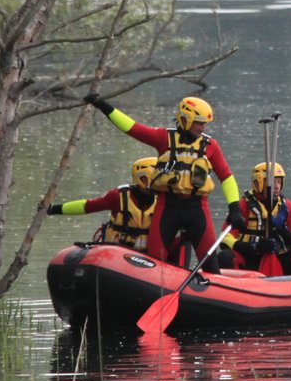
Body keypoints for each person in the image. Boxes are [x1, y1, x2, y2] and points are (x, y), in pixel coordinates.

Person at [82, 92, 243, 267]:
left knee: (210, 264)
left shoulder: (211, 146)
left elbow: (226, 177)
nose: (202, 128)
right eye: (199, 123)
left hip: (197, 209)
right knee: (154, 261)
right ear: (185, 119)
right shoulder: (163, 138)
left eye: (204, 124)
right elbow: (131, 128)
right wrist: (102, 105)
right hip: (168, 207)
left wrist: (234, 207)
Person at [221, 162, 291, 274]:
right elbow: (225, 239)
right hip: (251, 259)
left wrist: (283, 231)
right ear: (258, 182)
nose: (276, 186)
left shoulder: (287, 207)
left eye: (279, 182)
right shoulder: (244, 206)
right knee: (224, 257)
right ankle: (239, 285)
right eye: (272, 182)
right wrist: (254, 247)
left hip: (281, 259)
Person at [46, 157, 160, 252]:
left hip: (147, 258)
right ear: (143, 178)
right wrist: (54, 209)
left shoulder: (164, 199)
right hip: (116, 252)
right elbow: (88, 206)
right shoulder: (118, 196)